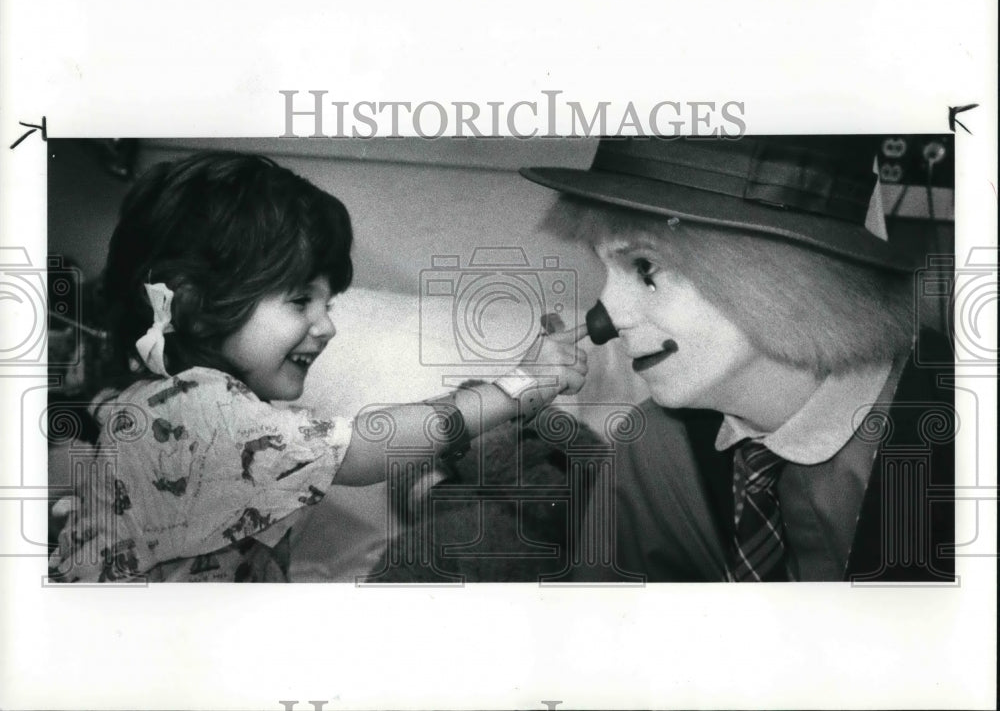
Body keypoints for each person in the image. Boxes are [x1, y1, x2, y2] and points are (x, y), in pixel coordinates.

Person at [49, 151, 587, 582]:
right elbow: (370, 447)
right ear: (193, 304)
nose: (326, 325)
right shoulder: (201, 414)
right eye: (300, 300)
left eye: (327, 304)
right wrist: (519, 387)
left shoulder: (176, 402)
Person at [523, 136, 955, 582]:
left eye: (645, 268)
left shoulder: (964, 434)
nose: (605, 320)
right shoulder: (655, 448)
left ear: (786, 271)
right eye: (605, 269)